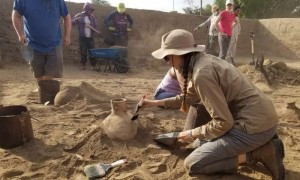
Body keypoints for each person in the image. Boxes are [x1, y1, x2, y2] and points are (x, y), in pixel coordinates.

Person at [142, 29, 285, 179]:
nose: (167, 63)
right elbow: (185, 99)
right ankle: (258, 145)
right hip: (257, 119)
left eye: (166, 58)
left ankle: (262, 151)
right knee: (199, 145)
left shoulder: (202, 74)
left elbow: (223, 122)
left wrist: (187, 134)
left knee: (194, 164)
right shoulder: (200, 61)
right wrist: (152, 103)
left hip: (254, 127)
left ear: (179, 54)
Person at [12, 0, 71, 81]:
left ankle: (45, 86)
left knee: (51, 74)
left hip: (54, 44)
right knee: (38, 74)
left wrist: (67, 36)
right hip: (33, 43)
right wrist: (20, 34)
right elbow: (16, 15)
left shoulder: (58, 1)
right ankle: (41, 86)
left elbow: (67, 17)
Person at [72, 2, 99, 70]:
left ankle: (94, 65)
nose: (91, 11)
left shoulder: (92, 18)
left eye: (91, 10)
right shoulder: (79, 15)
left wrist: (96, 30)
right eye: (90, 10)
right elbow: (73, 24)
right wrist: (75, 20)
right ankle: (83, 65)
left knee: (92, 51)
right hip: (82, 37)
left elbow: (95, 26)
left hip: (90, 37)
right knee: (83, 51)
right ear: (86, 9)